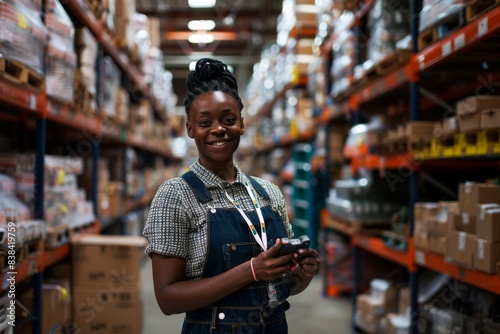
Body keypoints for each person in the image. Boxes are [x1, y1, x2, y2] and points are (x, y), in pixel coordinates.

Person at [143, 58, 320, 334]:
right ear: (190, 128)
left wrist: (302, 275)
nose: (218, 129)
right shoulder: (175, 196)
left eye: (228, 120)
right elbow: (167, 299)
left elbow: (279, 286)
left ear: (241, 124)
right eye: (205, 122)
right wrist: (251, 270)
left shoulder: (269, 194)